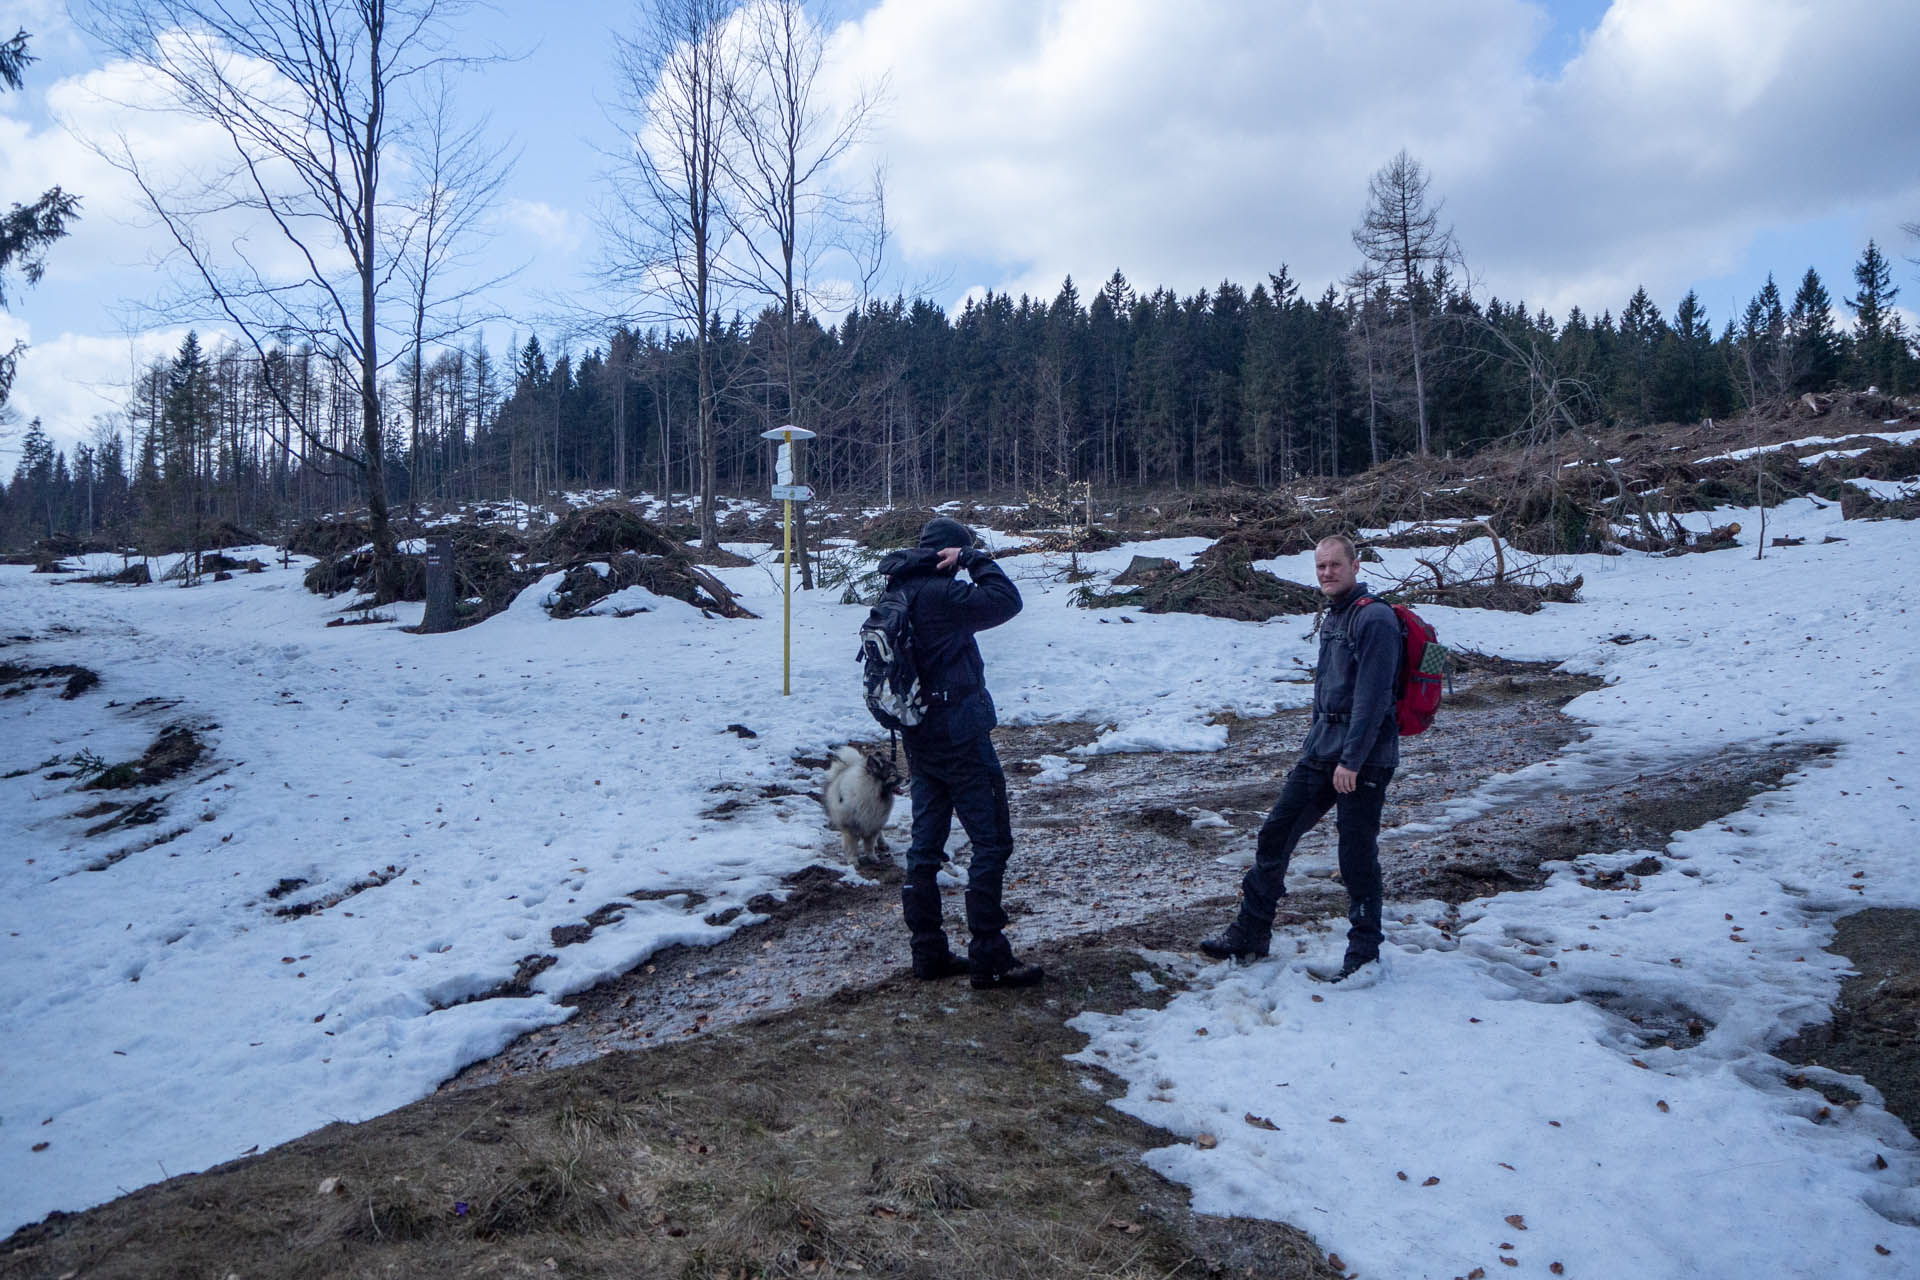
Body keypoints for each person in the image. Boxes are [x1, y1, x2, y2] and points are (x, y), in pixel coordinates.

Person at [1200, 533, 1400, 980]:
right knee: (1275, 833)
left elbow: (1372, 700)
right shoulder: (1335, 616)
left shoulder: (1376, 621)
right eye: (1320, 567)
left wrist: (1351, 762)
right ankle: (1252, 932)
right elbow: (1326, 692)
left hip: (1363, 760)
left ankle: (1364, 954)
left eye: (1334, 565)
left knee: (1356, 856)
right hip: (1323, 752)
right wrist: (1315, 743)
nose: (1327, 573)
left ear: (1356, 566)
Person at [875, 516, 1043, 990]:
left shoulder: (897, 591)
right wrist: (974, 558)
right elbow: (1008, 601)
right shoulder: (943, 595)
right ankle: (990, 955)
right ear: (947, 554)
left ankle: (927, 953)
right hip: (961, 736)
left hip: (919, 735)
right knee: (991, 842)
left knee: (926, 845)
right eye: (957, 554)